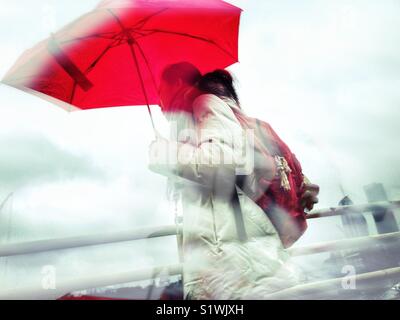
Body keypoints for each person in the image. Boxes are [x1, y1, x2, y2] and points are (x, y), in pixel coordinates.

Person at [149, 62, 318, 299]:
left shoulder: (204, 104)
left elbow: (220, 162)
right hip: (246, 251)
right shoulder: (225, 118)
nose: (158, 102)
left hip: (236, 257)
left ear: (177, 83)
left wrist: (163, 153)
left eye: (159, 92)